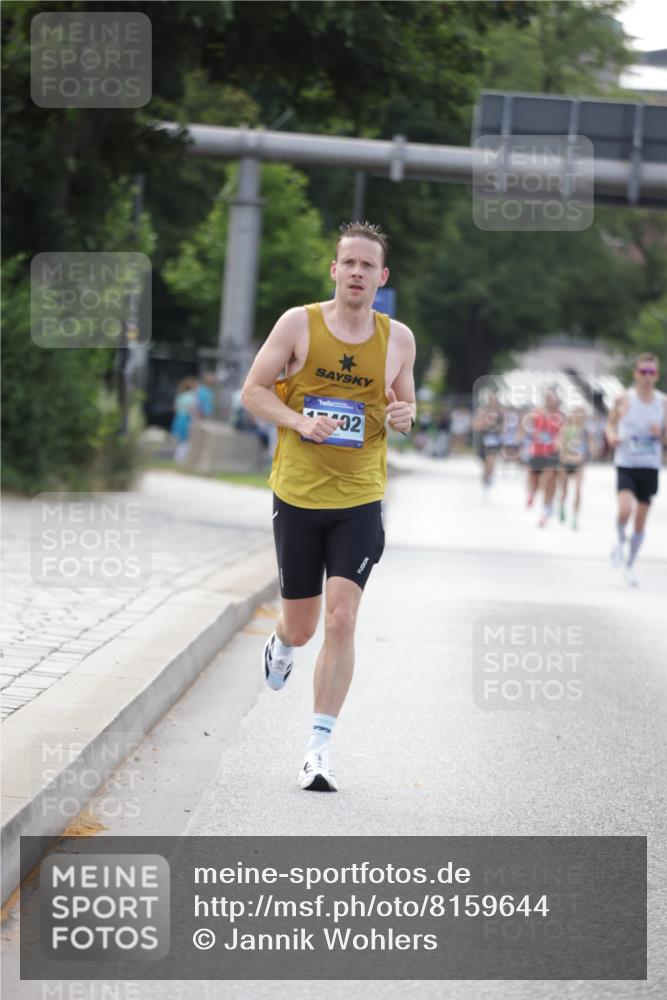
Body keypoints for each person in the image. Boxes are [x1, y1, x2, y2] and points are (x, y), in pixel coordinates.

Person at [241, 221, 416, 792]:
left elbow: (406, 408)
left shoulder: (398, 340)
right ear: (335, 270)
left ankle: (318, 750)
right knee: (302, 625)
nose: (359, 272)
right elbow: (253, 391)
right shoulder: (299, 324)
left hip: (360, 497)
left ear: (382, 277)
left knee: (342, 619)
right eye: (350, 263)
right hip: (297, 493)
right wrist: (298, 421)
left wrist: (405, 417)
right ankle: (283, 644)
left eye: (370, 265)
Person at [606, 353, 666, 586]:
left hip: (650, 466)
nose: (648, 377)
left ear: (657, 375)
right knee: (624, 510)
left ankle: (630, 565)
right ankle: (620, 543)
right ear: (636, 374)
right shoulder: (624, 399)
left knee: (640, 521)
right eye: (644, 372)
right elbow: (610, 425)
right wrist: (612, 438)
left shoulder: (663, 402)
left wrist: (659, 434)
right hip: (626, 462)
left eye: (652, 372)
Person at [526, 387, 565, 528]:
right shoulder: (537, 413)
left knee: (549, 479)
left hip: (551, 453)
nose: (551, 402)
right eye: (549, 399)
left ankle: (546, 510)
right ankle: (532, 494)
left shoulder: (560, 416)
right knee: (534, 481)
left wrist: (558, 443)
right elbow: (528, 428)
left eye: (553, 399)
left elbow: (562, 432)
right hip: (537, 451)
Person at [557, 406, 589, 530]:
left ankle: (575, 517)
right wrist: (564, 456)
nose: (577, 417)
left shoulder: (584, 430)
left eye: (580, 415)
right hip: (566, 463)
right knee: (564, 490)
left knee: (578, 490)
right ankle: (561, 506)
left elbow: (588, 447)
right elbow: (561, 445)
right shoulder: (566, 429)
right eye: (576, 415)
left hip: (579, 464)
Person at [473, 390, 503, 495]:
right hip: (483, 440)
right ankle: (485, 478)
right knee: (485, 464)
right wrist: (485, 423)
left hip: (494, 441)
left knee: (492, 461)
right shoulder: (482, 411)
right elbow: (476, 425)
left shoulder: (500, 412)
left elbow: (503, 427)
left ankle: (490, 475)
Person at [170, 376, 198, 463]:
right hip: (186, 419)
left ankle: (177, 457)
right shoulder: (191, 397)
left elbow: (174, 408)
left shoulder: (180, 396)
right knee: (185, 440)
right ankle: (180, 458)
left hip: (178, 418)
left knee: (178, 439)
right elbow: (192, 409)